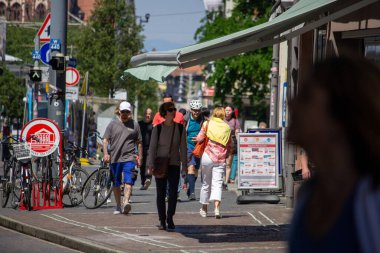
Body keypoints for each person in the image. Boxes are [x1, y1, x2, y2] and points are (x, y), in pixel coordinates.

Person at [287, 56, 380, 253]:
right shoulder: (309, 194)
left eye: (306, 96)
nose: (292, 102)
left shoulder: (372, 196)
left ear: (340, 116)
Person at [147, 102, 187, 231]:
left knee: (173, 193)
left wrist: (185, 165)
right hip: (160, 163)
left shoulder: (180, 128)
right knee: (160, 193)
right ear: (164, 113)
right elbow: (152, 148)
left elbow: (183, 148)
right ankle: (162, 220)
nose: (173, 111)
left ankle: (170, 217)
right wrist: (150, 164)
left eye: (174, 109)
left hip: (174, 164)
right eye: (170, 110)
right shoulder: (157, 128)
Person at [103, 101, 142, 215]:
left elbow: (139, 142)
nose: (125, 114)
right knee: (116, 183)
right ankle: (118, 205)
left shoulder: (135, 125)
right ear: (119, 111)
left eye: (127, 112)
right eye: (123, 111)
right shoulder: (112, 124)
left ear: (130, 112)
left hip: (129, 158)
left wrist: (140, 157)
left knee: (128, 180)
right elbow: (105, 140)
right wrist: (106, 153)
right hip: (115, 159)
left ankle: (126, 202)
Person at [197, 106, 232, 219]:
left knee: (206, 183)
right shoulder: (227, 127)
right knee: (217, 184)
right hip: (220, 158)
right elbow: (230, 145)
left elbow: (199, 138)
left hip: (207, 156)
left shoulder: (207, 124)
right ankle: (217, 209)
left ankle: (204, 209)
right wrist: (226, 154)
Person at [184, 99, 205, 201]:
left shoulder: (203, 120)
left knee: (196, 170)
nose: (196, 112)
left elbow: (206, 132)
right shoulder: (186, 119)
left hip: (199, 146)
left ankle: (189, 188)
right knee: (191, 167)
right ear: (191, 110)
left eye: (198, 110)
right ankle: (192, 193)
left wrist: (200, 138)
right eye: (194, 110)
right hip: (188, 145)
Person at [224, 104, 241, 186]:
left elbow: (237, 132)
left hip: (231, 143)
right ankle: (223, 178)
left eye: (229, 110)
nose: (227, 112)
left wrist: (239, 143)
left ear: (232, 111)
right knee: (221, 162)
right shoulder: (221, 120)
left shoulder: (235, 121)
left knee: (229, 163)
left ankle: (227, 180)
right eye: (226, 110)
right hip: (221, 144)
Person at [138, 108, 153, 190]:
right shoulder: (139, 124)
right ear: (144, 115)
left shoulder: (154, 125)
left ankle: (148, 178)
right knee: (142, 166)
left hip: (150, 148)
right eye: (147, 114)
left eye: (150, 114)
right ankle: (144, 182)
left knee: (148, 164)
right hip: (140, 147)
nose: (148, 115)